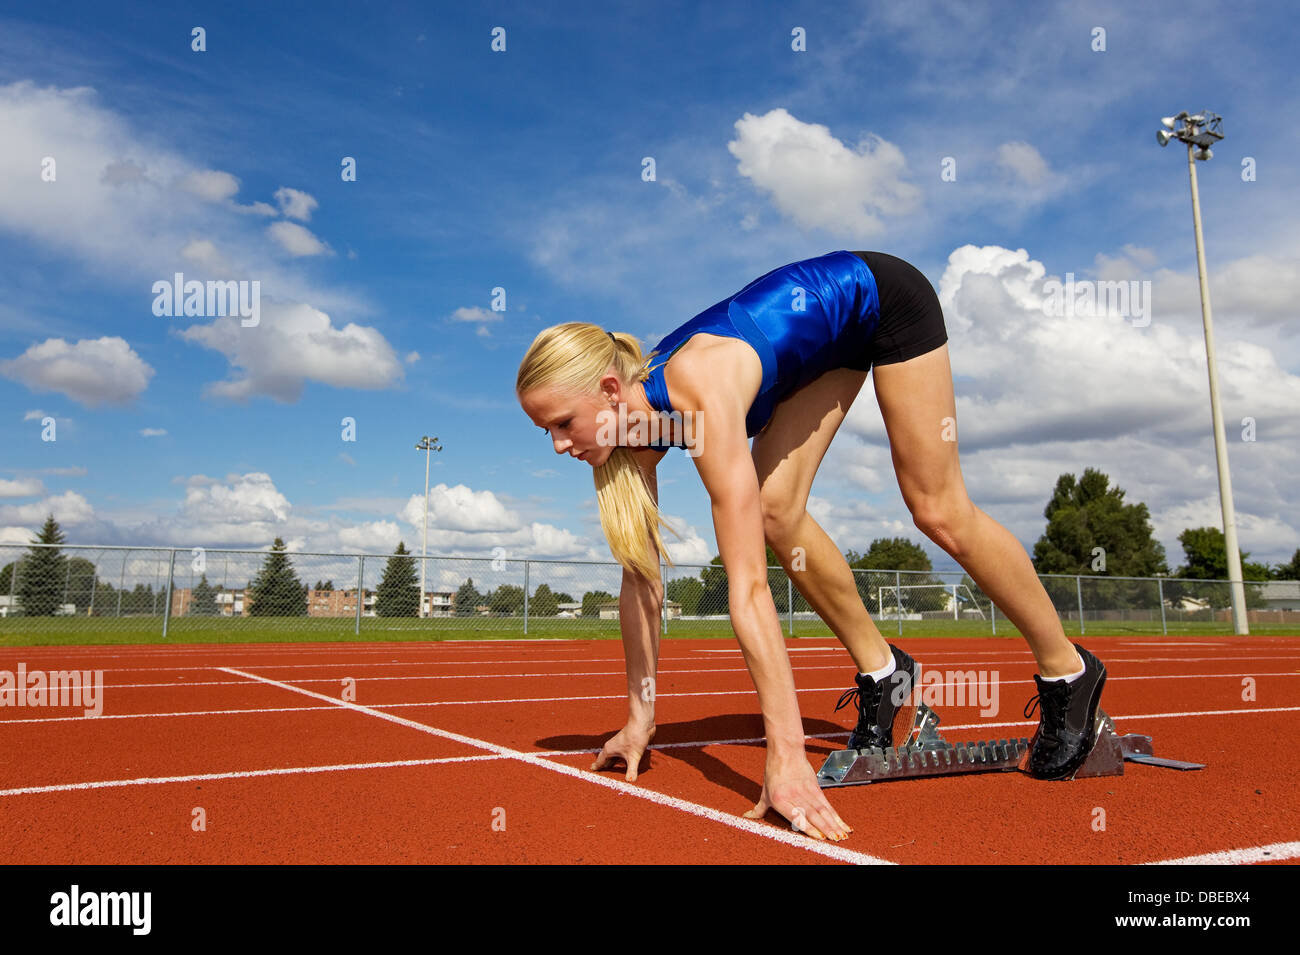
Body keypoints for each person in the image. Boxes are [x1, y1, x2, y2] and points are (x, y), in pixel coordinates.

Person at [516, 250, 1107, 842]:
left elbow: (747, 588)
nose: (558, 445)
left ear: (612, 389)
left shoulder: (699, 389)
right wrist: (639, 720)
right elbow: (640, 581)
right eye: (547, 431)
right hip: (816, 353)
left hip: (880, 300)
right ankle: (885, 671)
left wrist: (788, 757)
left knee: (936, 507)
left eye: (564, 423)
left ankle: (1067, 671)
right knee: (778, 513)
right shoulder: (632, 436)